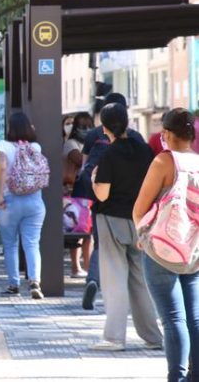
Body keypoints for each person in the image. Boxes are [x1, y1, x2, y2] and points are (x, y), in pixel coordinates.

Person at [89, 102, 162, 351]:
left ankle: (114, 337)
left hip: (112, 220)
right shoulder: (143, 150)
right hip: (141, 221)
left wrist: (92, 179)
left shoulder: (108, 154)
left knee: (114, 278)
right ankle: (153, 336)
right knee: (141, 280)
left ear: (105, 127)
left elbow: (102, 194)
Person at [134, 108, 199, 380]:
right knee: (194, 319)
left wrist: (142, 236)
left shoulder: (163, 162)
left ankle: (177, 376)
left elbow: (139, 208)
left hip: (161, 251)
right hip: (193, 251)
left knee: (173, 320)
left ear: (168, 134)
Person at [76, 91, 146, 310]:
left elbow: (86, 171)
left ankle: (94, 281)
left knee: (106, 255)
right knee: (138, 266)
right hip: (136, 211)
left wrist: (94, 181)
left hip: (106, 210)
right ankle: (150, 329)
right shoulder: (139, 141)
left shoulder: (97, 140)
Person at [0, 111, 46, 299]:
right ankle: (34, 281)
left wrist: (0, 195)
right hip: (35, 201)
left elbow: (1, 167)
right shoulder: (35, 147)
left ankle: (13, 284)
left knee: (10, 244)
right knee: (32, 243)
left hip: (10, 201)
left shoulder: (3, 146)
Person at [63, 111, 94, 277]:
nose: (86, 129)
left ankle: (86, 266)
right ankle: (77, 267)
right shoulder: (71, 144)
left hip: (86, 192)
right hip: (74, 192)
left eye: (89, 126)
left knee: (87, 232)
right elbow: (81, 161)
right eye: (82, 126)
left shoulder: (88, 144)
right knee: (77, 230)